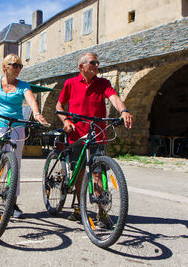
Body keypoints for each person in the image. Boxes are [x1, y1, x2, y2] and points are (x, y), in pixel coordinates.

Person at [56, 52, 133, 226]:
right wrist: (66, 120)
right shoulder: (70, 83)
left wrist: (124, 111)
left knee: (98, 173)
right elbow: (59, 105)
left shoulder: (103, 83)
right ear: (81, 66)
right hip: (77, 134)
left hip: (98, 133)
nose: (97, 65)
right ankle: (78, 206)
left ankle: (101, 211)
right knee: (80, 172)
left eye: (98, 62)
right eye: (92, 63)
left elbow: (114, 98)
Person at [0, 54, 49, 218]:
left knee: (15, 165)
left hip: (17, 127)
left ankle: (13, 204)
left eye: (20, 66)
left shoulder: (23, 85)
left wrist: (37, 114)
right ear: (4, 67)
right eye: (14, 65)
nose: (18, 69)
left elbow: (31, 101)